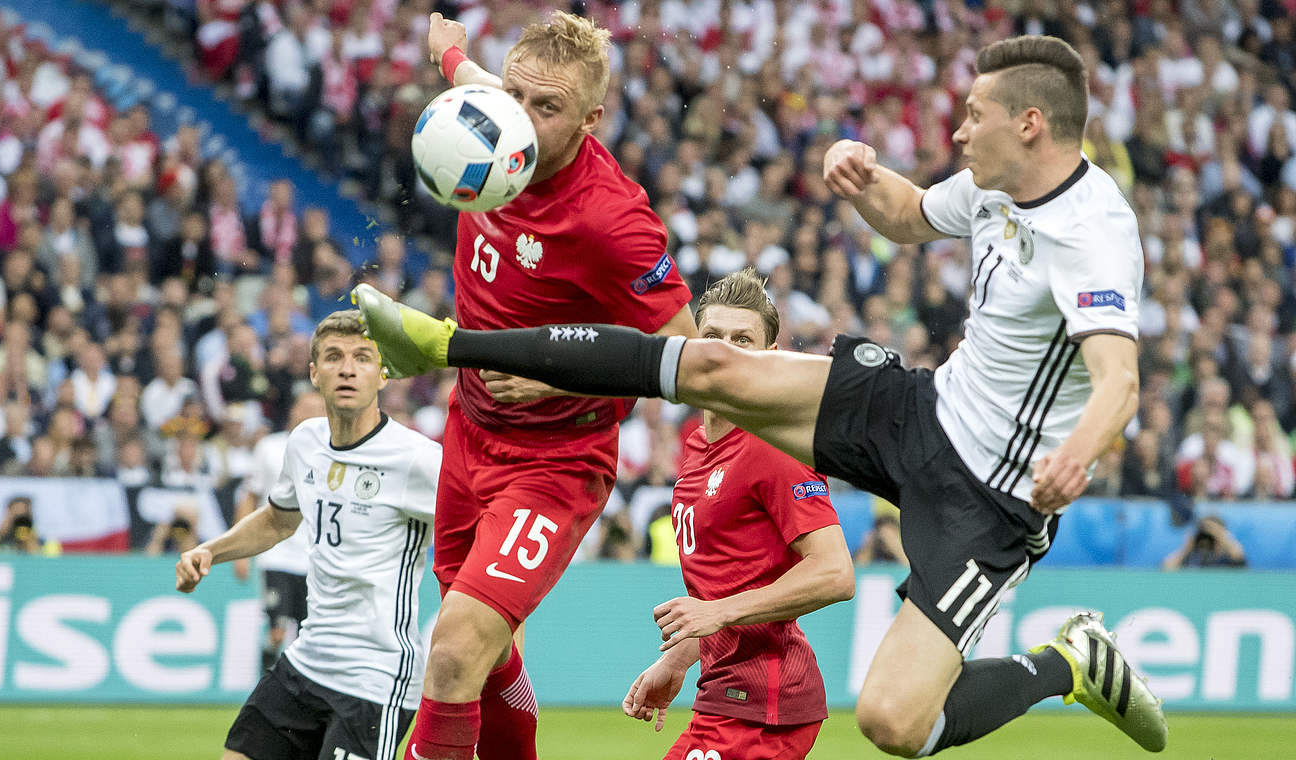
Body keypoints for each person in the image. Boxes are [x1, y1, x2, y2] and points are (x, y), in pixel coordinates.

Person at [354, 35, 1169, 756]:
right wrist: (863, 180)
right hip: (922, 409)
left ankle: (1071, 664)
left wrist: (1079, 452)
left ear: (1030, 123)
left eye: (974, 114)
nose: (957, 131)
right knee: (709, 366)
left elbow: (1120, 381)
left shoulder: (1093, 233)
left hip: (990, 494)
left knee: (894, 724)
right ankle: (447, 345)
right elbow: (913, 215)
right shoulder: (995, 184)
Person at [359, 11, 697, 760]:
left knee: (449, 654)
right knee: (479, 651)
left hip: (556, 461)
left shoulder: (612, 221)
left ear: (590, 119)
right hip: (468, 434)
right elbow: (468, 73)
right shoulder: (497, 121)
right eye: (517, 96)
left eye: (548, 108)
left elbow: (689, 358)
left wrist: (553, 377)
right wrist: (445, 46)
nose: (522, 116)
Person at [175, 311, 441, 760]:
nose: (348, 368)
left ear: (383, 374)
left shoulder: (418, 459)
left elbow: (477, 528)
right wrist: (211, 550)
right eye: (334, 357)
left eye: (362, 357)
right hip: (308, 660)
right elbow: (279, 521)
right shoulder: (305, 442)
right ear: (315, 373)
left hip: (376, 677)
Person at [621, 270, 854, 760]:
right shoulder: (697, 444)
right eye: (712, 338)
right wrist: (682, 657)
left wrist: (717, 612)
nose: (725, 351)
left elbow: (835, 573)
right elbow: (732, 578)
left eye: (742, 340)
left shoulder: (773, 447)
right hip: (725, 695)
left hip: (764, 704)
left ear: (769, 357)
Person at [232, 390, 326, 671]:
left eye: (317, 408)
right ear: (293, 411)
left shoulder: (332, 451)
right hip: (276, 554)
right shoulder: (270, 448)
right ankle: (265, 685)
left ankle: (298, 695)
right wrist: (240, 552)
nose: (310, 414)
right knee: (276, 630)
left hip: (315, 558)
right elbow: (249, 495)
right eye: (305, 407)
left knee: (308, 636)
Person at [1162, 515, 1248, 569]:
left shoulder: (1227, 557)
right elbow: (1167, 568)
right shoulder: (1193, 556)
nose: (1208, 539)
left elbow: (1239, 559)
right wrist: (1186, 548)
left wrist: (1220, 536)